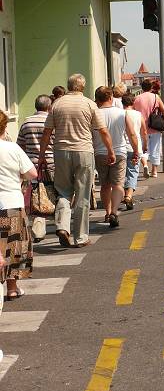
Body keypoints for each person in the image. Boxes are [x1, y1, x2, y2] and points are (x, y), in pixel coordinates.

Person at [38, 73, 115, 248]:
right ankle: (80, 237)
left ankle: (62, 226)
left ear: (69, 86)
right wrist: (110, 151)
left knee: (63, 191)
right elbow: (103, 131)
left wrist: (42, 155)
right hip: (83, 151)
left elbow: (47, 132)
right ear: (83, 86)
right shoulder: (89, 104)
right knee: (82, 194)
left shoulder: (57, 104)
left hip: (61, 152)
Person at [0, 110, 38, 300]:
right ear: (4, 127)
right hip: (11, 203)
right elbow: (32, 173)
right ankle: (12, 288)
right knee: (13, 247)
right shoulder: (12, 148)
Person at [94, 86, 139, 227]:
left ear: (97, 99)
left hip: (100, 153)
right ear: (111, 97)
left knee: (105, 185)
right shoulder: (122, 113)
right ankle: (114, 211)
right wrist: (136, 151)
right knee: (118, 185)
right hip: (119, 152)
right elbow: (132, 134)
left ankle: (107, 213)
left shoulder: (94, 114)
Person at [16, 94, 54, 242]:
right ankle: (56, 225)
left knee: (36, 195)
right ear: (49, 106)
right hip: (51, 162)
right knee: (53, 193)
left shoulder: (26, 122)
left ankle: (36, 229)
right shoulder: (51, 121)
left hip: (31, 164)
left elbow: (20, 144)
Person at [133, 78, 164, 178]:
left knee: (143, 149)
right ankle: (154, 171)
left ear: (142, 87)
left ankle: (145, 165)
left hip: (141, 128)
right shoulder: (156, 97)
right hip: (155, 126)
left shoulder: (137, 98)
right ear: (151, 87)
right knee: (155, 149)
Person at [121, 93, 147, 209]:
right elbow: (144, 132)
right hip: (135, 147)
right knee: (132, 172)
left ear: (122, 102)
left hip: (122, 148)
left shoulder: (120, 114)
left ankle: (124, 194)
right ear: (133, 102)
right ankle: (129, 195)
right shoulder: (138, 114)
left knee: (122, 174)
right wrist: (145, 145)